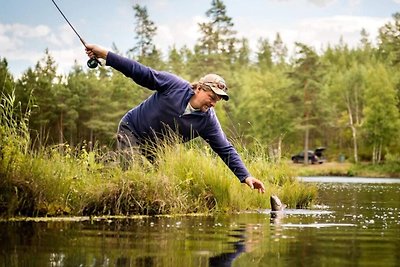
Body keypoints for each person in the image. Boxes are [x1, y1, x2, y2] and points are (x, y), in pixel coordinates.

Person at [85, 44, 265, 193]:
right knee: (131, 172)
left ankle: (103, 165)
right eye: (212, 97)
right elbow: (139, 71)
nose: (213, 103)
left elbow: (225, 149)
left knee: (160, 184)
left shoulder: (208, 121)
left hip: (157, 147)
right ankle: (101, 178)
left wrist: (246, 176)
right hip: (132, 128)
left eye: (217, 100)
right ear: (200, 88)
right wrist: (106, 55)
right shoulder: (174, 85)